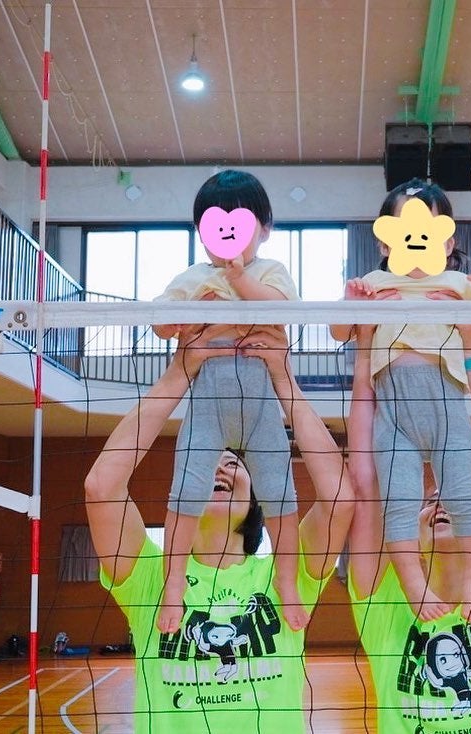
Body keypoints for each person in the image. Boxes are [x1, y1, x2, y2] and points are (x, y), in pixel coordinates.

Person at [84, 330, 354, 732]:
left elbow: (340, 499)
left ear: (257, 499)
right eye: (208, 459)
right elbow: (100, 488)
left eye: (234, 464)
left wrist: (283, 379)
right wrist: (179, 372)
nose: (219, 467)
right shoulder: (150, 575)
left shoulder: (287, 572)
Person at [347, 325, 471, 733]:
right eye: (428, 502)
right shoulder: (386, 600)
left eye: (456, 500)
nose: (440, 502)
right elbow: (365, 481)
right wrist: (366, 356)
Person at [332, 178, 471, 623]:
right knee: (399, 501)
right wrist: (351, 303)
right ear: (384, 241)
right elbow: (338, 332)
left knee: (466, 498)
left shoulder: (458, 284)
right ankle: (414, 584)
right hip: (393, 416)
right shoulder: (374, 283)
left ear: (448, 241)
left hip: (447, 407)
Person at [151, 170, 307, 632]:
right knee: (185, 491)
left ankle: (287, 581)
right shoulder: (193, 277)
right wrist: (184, 315)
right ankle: (174, 585)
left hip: (260, 404)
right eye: (214, 223)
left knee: (280, 492)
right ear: (202, 231)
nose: (227, 234)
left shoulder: (270, 272)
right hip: (208, 403)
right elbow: (161, 322)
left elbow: (281, 311)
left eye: (240, 222)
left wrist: (239, 280)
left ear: (264, 228)